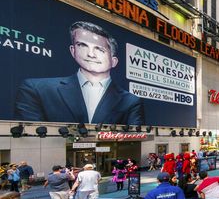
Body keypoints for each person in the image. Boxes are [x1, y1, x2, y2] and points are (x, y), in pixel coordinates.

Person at [14, 21, 144, 124]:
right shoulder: (37, 89)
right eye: (82, 45)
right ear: (73, 51)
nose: (91, 54)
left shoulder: (130, 101)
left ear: (113, 61)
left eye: (99, 49)